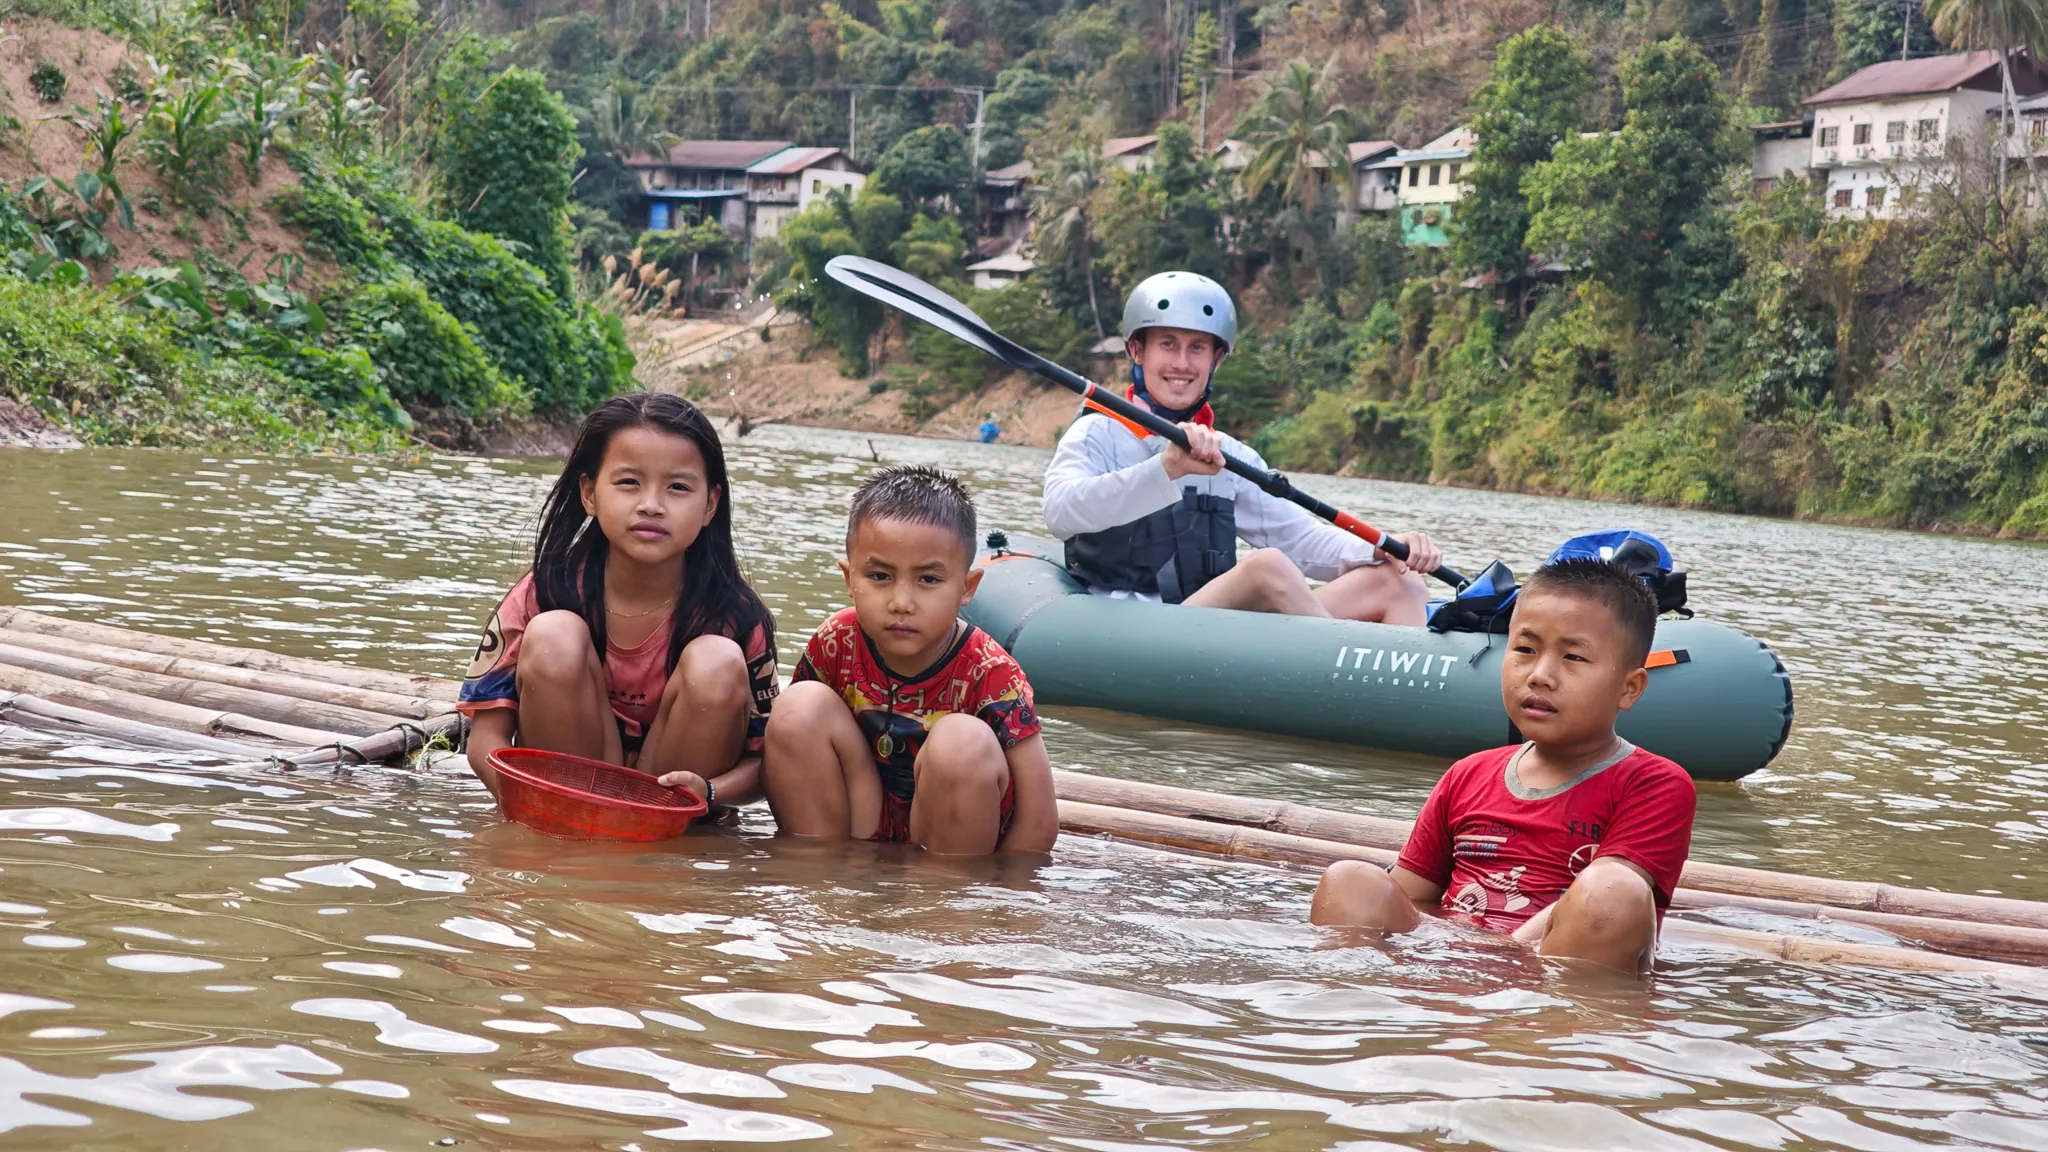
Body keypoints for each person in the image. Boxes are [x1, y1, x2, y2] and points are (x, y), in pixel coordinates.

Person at [1309, 558, 1696, 974]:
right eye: (1526, 650)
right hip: (1450, 962)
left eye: (1574, 657)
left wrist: (1499, 958)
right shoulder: (1468, 773)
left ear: (1629, 687)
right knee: (1351, 879)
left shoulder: (1655, 784)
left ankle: (1555, 1028)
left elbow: (1608, 906)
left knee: (1612, 891)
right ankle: (1354, 1008)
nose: (1540, 675)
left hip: (1550, 967)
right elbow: (1409, 895)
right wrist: (1450, 957)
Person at [1042, 271, 1443, 623]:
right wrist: (1167, 468)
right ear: (1137, 350)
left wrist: (1387, 546)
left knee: (1396, 580)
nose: (1182, 363)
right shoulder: (1096, 432)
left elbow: (1302, 541)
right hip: (1127, 628)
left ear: (1216, 360)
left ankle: (1418, 697)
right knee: (1266, 567)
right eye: (1167, 344)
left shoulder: (1229, 455)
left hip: (1210, 624)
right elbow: (1060, 513)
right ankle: (1335, 681)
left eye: (1197, 348)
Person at [459, 392, 778, 812]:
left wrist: (710, 792)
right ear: (589, 494)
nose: (651, 505)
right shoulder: (547, 589)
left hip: (675, 814)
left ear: (710, 505)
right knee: (555, 635)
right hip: (567, 797)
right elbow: (486, 739)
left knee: (717, 661)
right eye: (629, 482)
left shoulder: (735, 615)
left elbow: (762, 764)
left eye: (678, 487)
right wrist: (533, 808)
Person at [763, 465, 1058, 855]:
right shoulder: (836, 641)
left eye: (928, 580)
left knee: (961, 742)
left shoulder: (991, 673)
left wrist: (1002, 904)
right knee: (797, 706)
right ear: (849, 580)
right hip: (859, 818)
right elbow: (793, 752)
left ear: (967, 588)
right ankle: (824, 876)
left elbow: (1038, 823)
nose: (901, 602)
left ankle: (939, 902)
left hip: (951, 837)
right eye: (881, 576)